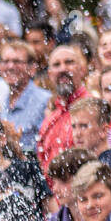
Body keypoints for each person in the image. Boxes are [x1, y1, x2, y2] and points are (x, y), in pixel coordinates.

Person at [69, 96, 111, 201]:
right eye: (74, 126)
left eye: (83, 126)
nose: (77, 134)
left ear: (103, 130)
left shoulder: (109, 165)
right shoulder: (100, 161)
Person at [38, 44, 89, 174]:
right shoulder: (50, 120)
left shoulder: (94, 109)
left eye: (69, 62)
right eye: (56, 65)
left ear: (82, 70)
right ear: (50, 74)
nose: (63, 69)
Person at [1, 40, 52, 151]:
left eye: (17, 61)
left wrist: (17, 146)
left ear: (32, 69)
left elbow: (47, 146)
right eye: (5, 61)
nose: (10, 66)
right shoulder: (1, 100)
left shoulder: (44, 101)